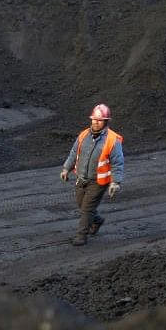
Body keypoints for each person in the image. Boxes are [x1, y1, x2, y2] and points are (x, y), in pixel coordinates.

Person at [60, 103, 124, 246]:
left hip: (98, 182)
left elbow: (117, 163)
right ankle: (97, 220)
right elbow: (73, 153)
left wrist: (115, 182)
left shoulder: (113, 140)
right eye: (94, 119)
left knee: (87, 209)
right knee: (82, 205)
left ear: (106, 121)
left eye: (99, 120)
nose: (95, 122)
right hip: (81, 178)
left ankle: (81, 236)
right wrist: (66, 169)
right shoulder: (83, 135)